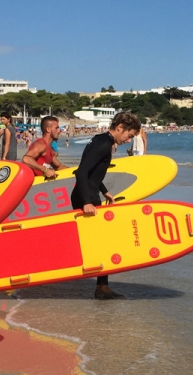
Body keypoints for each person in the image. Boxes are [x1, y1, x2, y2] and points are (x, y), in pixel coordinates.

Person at [72, 112, 141, 300]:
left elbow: (93, 172)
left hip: (90, 193)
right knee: (101, 242)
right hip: (86, 196)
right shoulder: (104, 144)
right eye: (130, 135)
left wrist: (104, 191)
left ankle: (102, 287)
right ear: (120, 127)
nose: (129, 139)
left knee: (101, 241)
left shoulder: (102, 140)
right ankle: (101, 288)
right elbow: (81, 172)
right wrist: (87, 201)